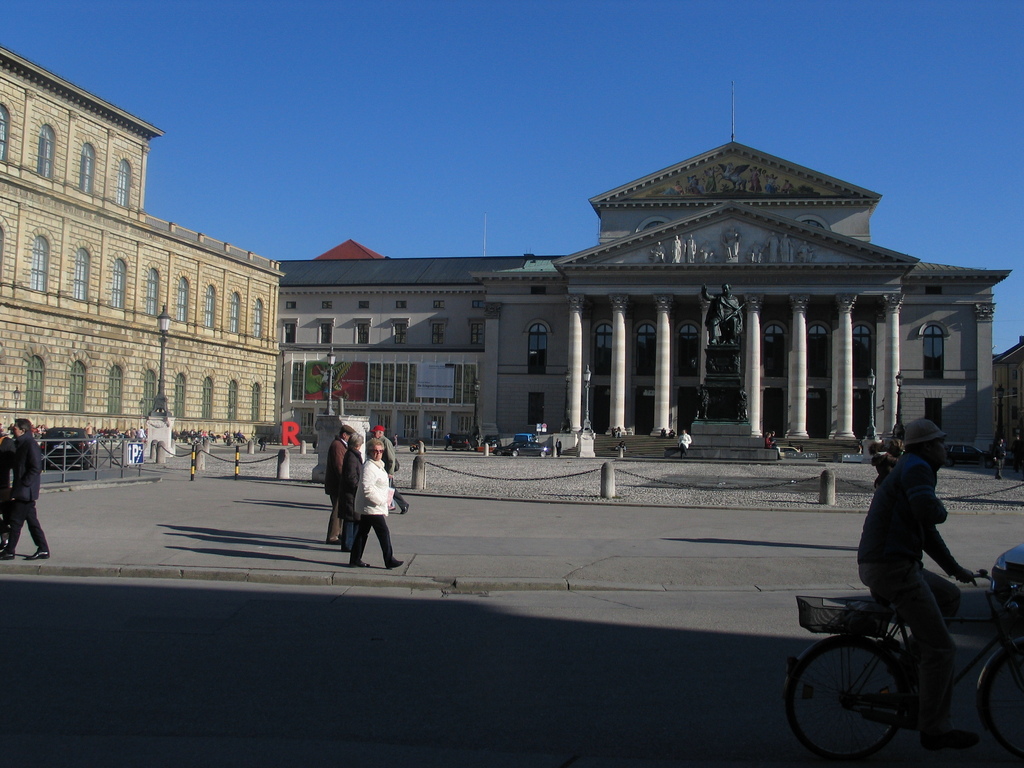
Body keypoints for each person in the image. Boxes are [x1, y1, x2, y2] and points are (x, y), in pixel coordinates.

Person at [857, 418, 979, 751]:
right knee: (942, 649)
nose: (945, 447)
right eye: (940, 441)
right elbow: (928, 513)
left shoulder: (912, 466)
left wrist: (955, 570)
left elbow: (927, 534)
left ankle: (913, 664)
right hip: (891, 567)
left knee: (949, 597)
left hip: (886, 564)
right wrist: (942, 510)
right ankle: (935, 729)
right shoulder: (917, 469)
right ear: (927, 446)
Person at [349, 438, 403, 569]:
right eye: (375, 451)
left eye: (380, 451)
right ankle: (389, 559)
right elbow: (367, 488)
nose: (378, 453)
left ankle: (355, 559)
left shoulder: (378, 465)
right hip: (372, 506)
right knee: (383, 532)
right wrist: (381, 501)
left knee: (362, 532)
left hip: (373, 505)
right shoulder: (369, 467)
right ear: (369, 452)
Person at [1, 419, 49, 561]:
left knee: (16, 522)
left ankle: (10, 551)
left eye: (15, 427)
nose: (13, 429)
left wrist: (24, 484)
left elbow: (36, 468)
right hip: (24, 490)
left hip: (25, 491)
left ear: (23, 430)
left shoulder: (29, 444)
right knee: (32, 523)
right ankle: (43, 549)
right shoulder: (21, 443)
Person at [323, 424, 354, 545]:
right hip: (337, 484)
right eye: (349, 436)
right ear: (344, 435)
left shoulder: (340, 445)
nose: (350, 438)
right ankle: (332, 536)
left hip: (337, 484)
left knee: (340, 510)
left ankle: (338, 533)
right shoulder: (337, 446)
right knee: (336, 510)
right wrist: (345, 480)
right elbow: (339, 466)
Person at [371, 425, 409, 514]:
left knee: (390, 488)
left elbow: (391, 458)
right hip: (380, 469)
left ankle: (402, 504)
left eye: (374, 432)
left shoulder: (386, 442)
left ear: (380, 433)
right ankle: (392, 505)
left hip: (386, 470)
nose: (372, 434)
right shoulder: (377, 441)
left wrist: (391, 472)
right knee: (387, 488)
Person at [338, 432, 364, 552]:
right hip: (351, 494)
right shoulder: (352, 456)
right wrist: (359, 487)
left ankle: (351, 542)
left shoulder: (353, 455)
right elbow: (351, 476)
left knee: (354, 518)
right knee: (350, 519)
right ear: (357, 445)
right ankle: (348, 544)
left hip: (351, 493)